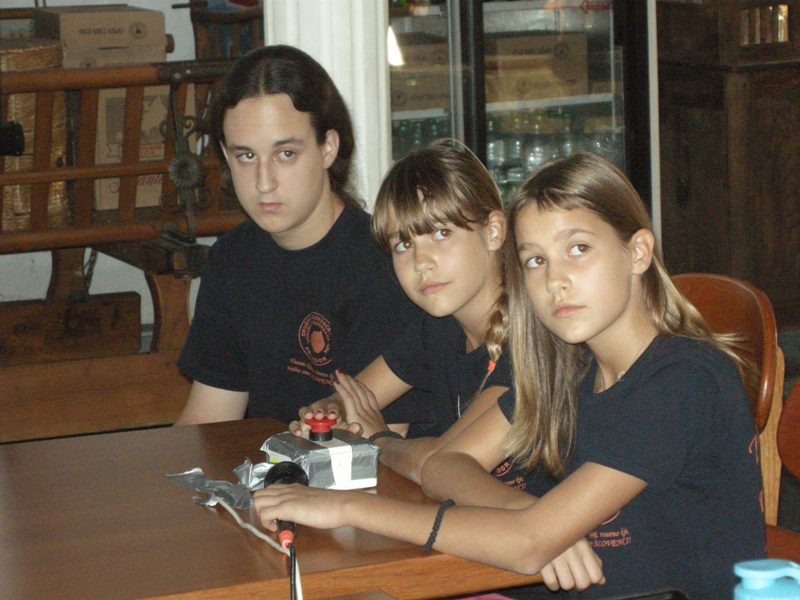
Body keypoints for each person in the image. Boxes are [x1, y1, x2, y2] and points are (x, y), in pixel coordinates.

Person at [254, 152, 765, 598]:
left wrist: (346, 508)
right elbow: (445, 463)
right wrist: (527, 514)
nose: (556, 279)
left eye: (578, 248)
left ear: (637, 251)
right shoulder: (567, 367)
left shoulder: (683, 380)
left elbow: (528, 545)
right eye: (536, 260)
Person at [291, 140, 604, 594]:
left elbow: (436, 464)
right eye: (403, 244)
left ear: (493, 231)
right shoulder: (437, 327)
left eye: (441, 233)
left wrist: (379, 440)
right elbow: (353, 398)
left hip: (537, 575)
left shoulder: (534, 341)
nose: (422, 262)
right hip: (476, 556)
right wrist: (321, 416)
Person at [175, 45, 424, 426]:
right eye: (246, 156)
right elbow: (210, 420)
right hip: (263, 462)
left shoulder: (383, 266)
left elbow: (387, 441)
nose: (264, 182)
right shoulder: (231, 258)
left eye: (286, 154)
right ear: (225, 155)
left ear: (328, 148)